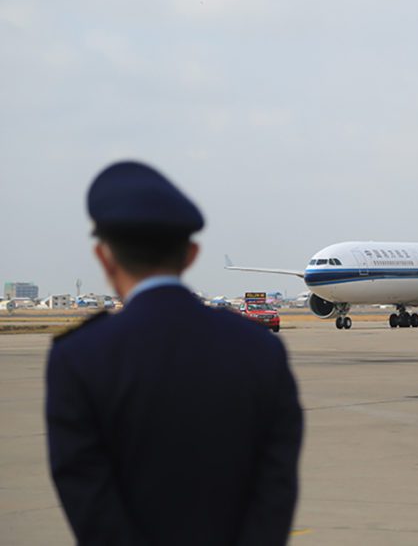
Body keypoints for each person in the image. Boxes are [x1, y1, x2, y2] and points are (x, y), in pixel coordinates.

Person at [45, 161, 303, 545]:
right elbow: (276, 488)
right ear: (191, 255)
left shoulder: (77, 358)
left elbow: (86, 496)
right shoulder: (261, 348)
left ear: (104, 257)